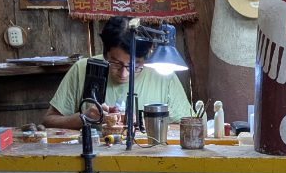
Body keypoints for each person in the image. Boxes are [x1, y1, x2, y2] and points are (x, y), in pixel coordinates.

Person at [43, 17, 194, 129]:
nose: (124, 74)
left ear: (146, 57)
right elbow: (49, 121)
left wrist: (145, 125)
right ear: (105, 54)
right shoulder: (83, 69)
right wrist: (84, 118)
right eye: (116, 63)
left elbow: (188, 124)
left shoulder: (162, 74)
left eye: (135, 66)